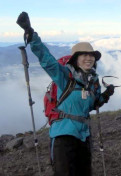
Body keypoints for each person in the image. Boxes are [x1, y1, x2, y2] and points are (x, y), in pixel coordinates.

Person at [17, 12, 114, 176]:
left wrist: (105, 95)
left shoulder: (92, 81)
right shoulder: (64, 76)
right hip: (63, 135)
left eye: (91, 55)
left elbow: (91, 105)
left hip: (84, 135)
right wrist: (31, 34)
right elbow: (47, 60)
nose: (89, 58)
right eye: (84, 55)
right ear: (75, 58)